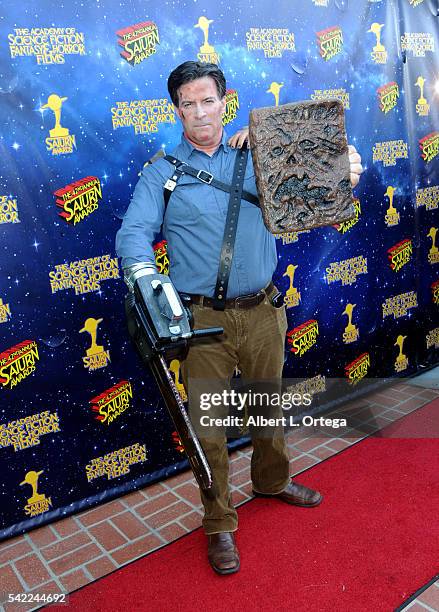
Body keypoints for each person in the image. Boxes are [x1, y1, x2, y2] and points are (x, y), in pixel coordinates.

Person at [116, 61, 363, 575]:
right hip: (201, 323)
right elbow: (133, 235)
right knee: (209, 430)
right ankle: (220, 524)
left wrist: (339, 163)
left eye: (208, 100)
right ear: (177, 109)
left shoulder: (259, 153)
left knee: (268, 409)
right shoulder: (161, 172)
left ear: (224, 102)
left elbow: (332, 172)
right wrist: (145, 279)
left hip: (264, 312)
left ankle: (272, 482)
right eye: (188, 103)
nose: (200, 112)